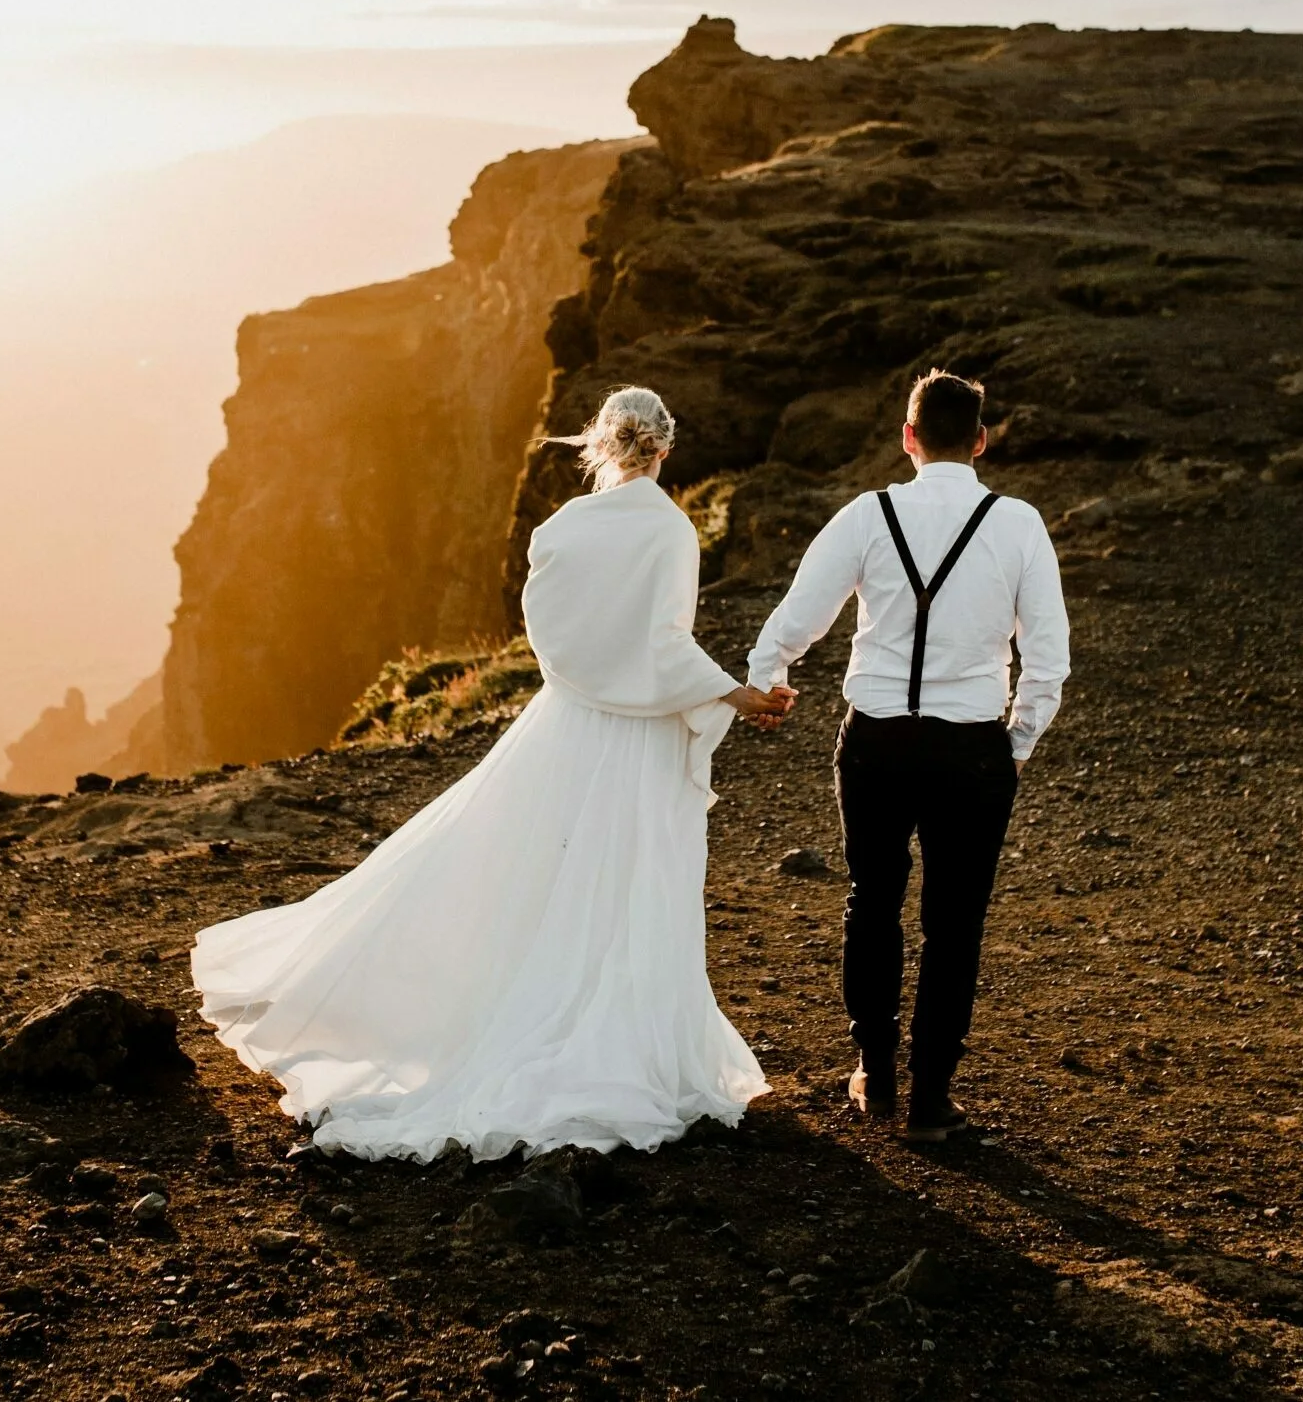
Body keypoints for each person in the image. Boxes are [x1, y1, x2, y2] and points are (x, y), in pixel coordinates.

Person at [190, 387, 792, 1160]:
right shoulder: (669, 531)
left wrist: (590, 679)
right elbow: (665, 644)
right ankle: (612, 1039)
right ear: (665, 449)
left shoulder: (563, 528)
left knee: (526, 871)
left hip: (564, 723)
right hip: (633, 741)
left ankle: (486, 1013)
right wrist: (737, 695)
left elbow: (550, 633)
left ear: (599, 444)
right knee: (625, 880)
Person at [745, 369, 1070, 1142]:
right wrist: (1016, 738)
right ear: (981, 440)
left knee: (872, 900)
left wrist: (768, 680)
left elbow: (799, 614)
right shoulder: (1018, 522)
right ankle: (931, 1099)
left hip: (878, 741)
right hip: (971, 747)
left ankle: (874, 1070)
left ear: (907, 436)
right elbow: (1048, 652)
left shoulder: (868, 513)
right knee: (954, 922)